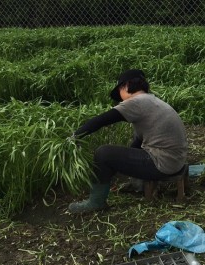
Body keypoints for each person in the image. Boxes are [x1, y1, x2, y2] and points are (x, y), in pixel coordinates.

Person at [67, 69, 188, 214]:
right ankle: (135, 184)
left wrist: (75, 136)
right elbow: (138, 142)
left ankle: (95, 202)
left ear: (126, 86)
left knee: (104, 153)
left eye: (119, 90)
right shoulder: (152, 101)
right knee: (125, 150)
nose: (119, 97)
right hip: (175, 161)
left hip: (163, 163)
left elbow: (101, 120)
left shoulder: (137, 102)